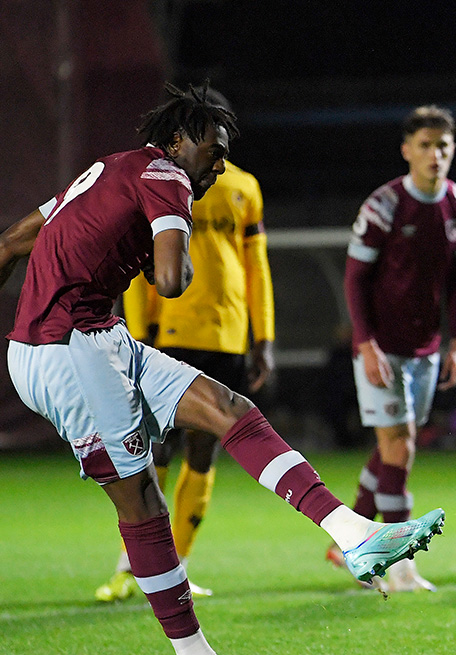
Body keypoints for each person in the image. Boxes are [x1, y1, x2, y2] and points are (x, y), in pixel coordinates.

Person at [0, 83, 444, 655]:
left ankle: (354, 534)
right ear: (178, 142)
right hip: (64, 352)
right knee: (143, 503)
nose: (218, 165)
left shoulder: (110, 168)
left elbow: (4, 246)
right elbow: (169, 279)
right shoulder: (170, 179)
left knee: (230, 410)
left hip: (94, 338)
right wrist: (178, 247)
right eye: (213, 151)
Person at [95, 88, 275, 603]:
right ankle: (132, 567)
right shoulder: (159, 181)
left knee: (204, 451)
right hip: (169, 332)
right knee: (151, 448)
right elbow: (138, 261)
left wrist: (262, 337)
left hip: (226, 336)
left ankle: (180, 564)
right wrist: (138, 329)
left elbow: (256, 267)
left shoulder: (243, 188)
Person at [330, 105, 456, 593]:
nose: (435, 155)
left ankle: (346, 542)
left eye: (443, 146)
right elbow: (356, 276)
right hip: (382, 347)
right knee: (401, 446)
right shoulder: (385, 205)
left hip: (426, 348)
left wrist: (455, 341)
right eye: (426, 146)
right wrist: (364, 342)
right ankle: (399, 564)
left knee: (390, 447)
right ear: (406, 150)